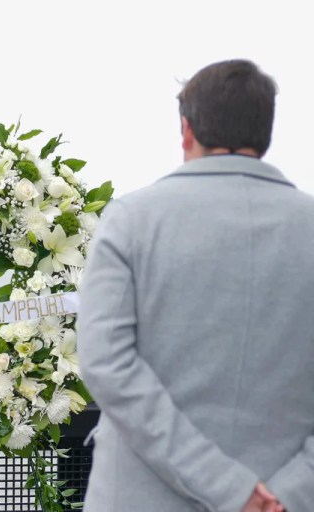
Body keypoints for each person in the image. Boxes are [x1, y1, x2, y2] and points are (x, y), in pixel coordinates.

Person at [77, 59, 314, 512]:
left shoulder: (131, 220)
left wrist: (228, 487)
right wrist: (291, 491)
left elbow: (106, 363)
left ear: (186, 130)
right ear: (265, 134)